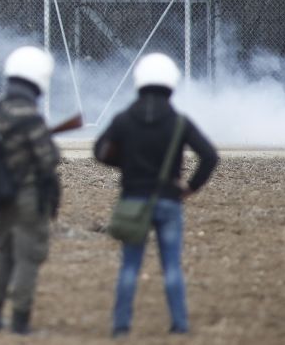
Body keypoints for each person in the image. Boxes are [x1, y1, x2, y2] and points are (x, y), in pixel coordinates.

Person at [93, 52, 219, 337]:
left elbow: (99, 151)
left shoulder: (124, 119)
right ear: (171, 83)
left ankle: (121, 327)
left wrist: (125, 164)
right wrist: (190, 186)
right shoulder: (179, 122)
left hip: (133, 200)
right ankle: (179, 325)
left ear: (139, 81)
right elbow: (210, 156)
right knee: (172, 266)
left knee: (129, 267)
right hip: (168, 200)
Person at [0, 46, 61, 335]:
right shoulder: (32, 118)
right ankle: (20, 321)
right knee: (28, 258)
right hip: (28, 197)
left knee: (4, 253)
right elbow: (49, 159)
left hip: (1, 195)